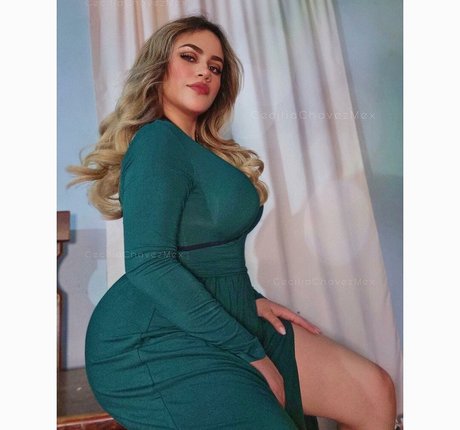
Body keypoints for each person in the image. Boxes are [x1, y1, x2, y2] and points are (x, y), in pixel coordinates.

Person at [67, 15, 397, 430]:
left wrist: (246, 297)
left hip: (225, 310)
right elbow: (151, 264)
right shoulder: (156, 142)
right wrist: (251, 352)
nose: (205, 71)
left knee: (373, 392)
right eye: (190, 57)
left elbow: (205, 249)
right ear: (159, 67)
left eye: (216, 66)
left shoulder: (204, 152)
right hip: (151, 340)